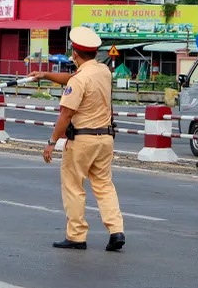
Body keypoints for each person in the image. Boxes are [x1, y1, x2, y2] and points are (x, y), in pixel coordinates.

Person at [28, 26, 125, 252]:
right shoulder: (103, 72)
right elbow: (72, 78)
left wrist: (51, 142)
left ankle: (76, 235)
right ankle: (116, 230)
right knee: (104, 186)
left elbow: (66, 114)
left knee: (73, 187)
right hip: (105, 139)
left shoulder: (79, 79)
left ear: (74, 54)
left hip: (82, 141)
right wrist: (45, 75)